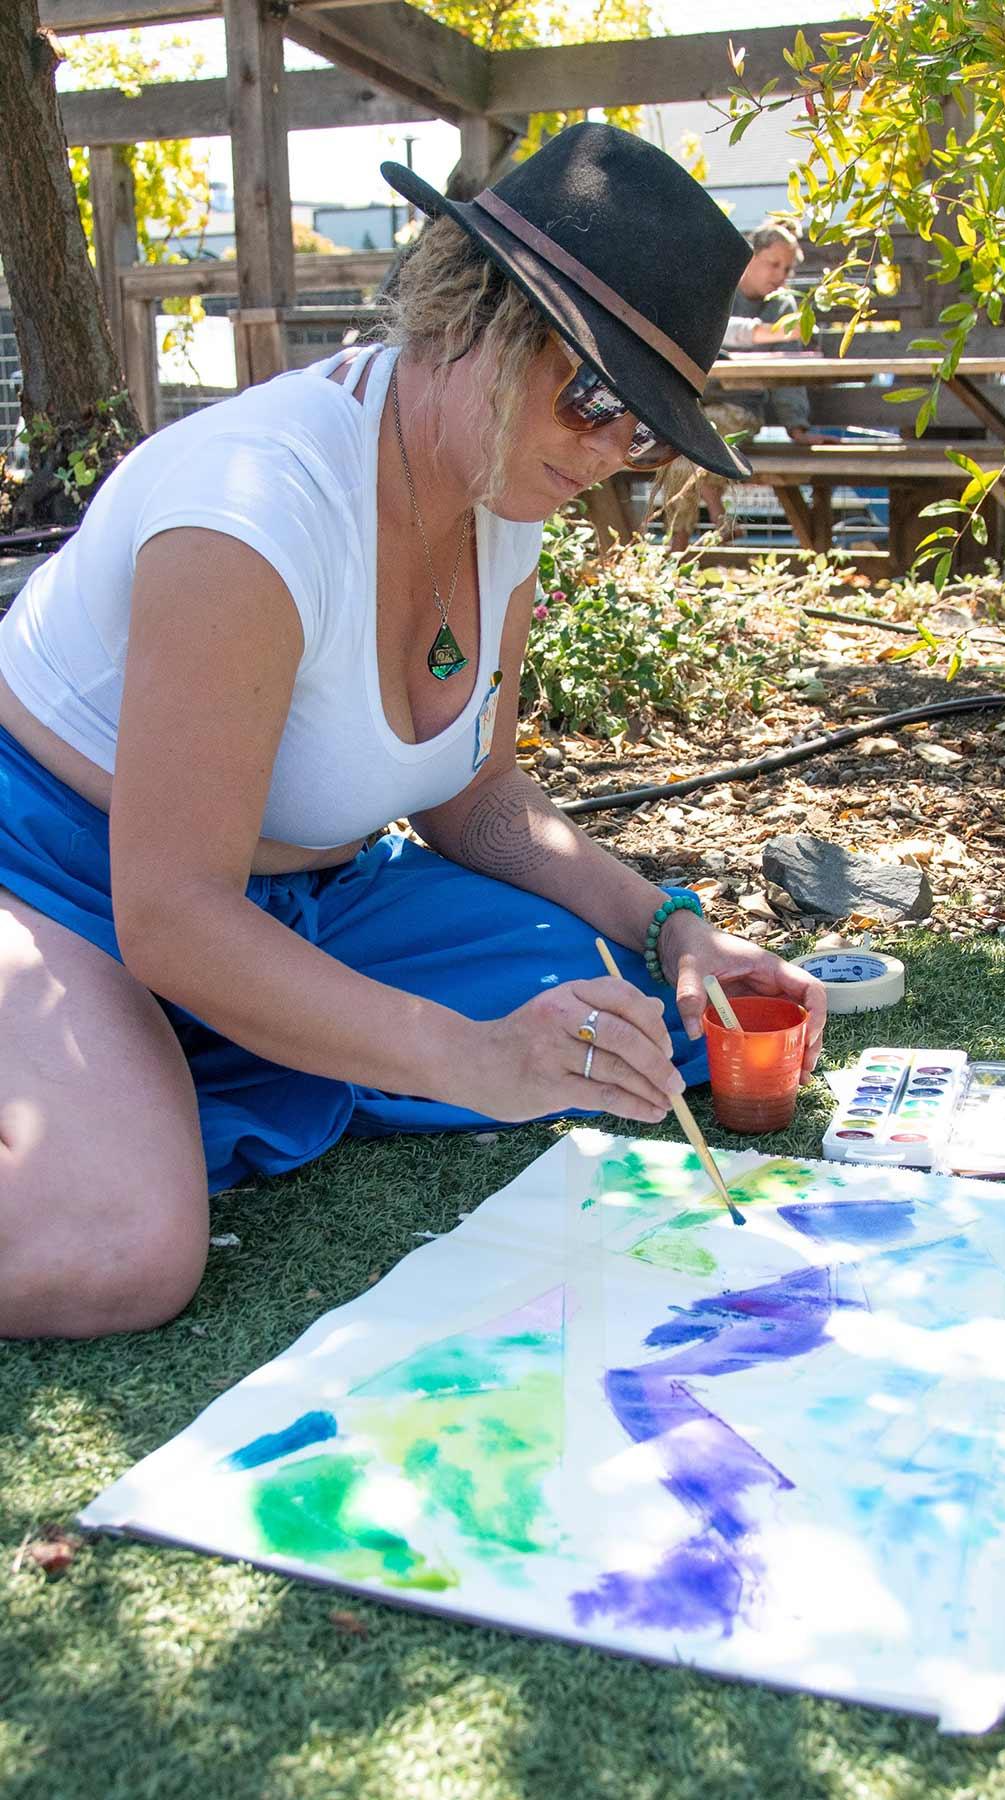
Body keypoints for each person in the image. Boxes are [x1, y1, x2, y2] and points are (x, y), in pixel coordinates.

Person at [0, 124, 826, 1342]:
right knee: (125, 1247)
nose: (606, 454)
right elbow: (171, 913)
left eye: (643, 429)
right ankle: (152, 1072)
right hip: (61, 879)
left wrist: (673, 922)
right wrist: (464, 1058)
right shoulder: (251, 510)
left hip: (310, 888)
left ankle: (202, 1059)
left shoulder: (503, 488)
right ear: (470, 316)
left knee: (632, 1021)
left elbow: (474, 795)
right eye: (595, 396)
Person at [660, 223, 832, 551]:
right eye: (773, 263)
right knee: (682, 440)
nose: (780, 275)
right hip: (698, 401)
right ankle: (714, 517)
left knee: (694, 445)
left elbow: (789, 372)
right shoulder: (719, 294)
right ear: (750, 258)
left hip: (742, 407)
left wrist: (796, 426)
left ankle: (678, 544)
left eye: (788, 268)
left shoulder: (782, 307)